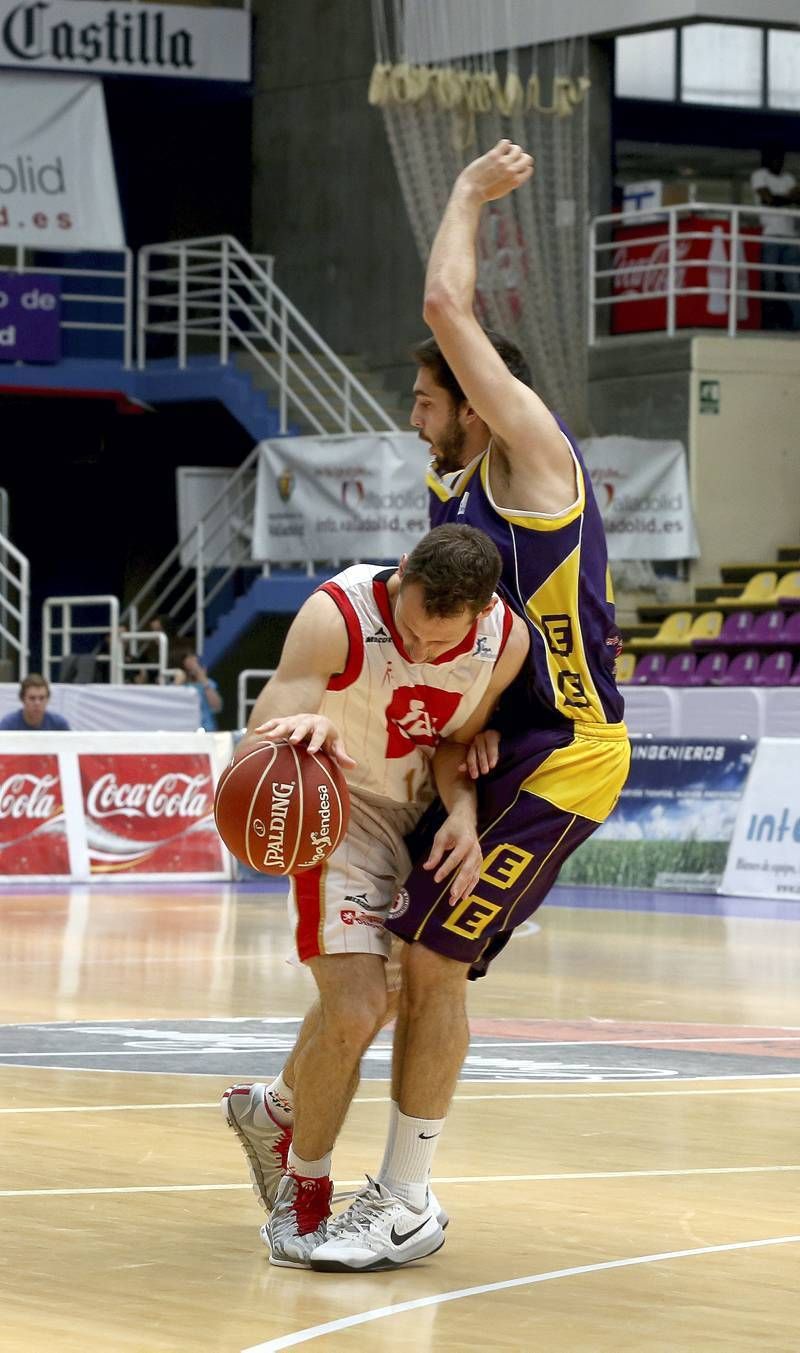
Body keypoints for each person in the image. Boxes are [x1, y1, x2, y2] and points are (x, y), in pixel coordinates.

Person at [309, 140, 631, 1273]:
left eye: (423, 396)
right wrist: (458, 744)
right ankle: (337, 1136)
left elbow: (449, 301)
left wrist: (464, 194)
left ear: (474, 399)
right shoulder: (449, 489)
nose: (411, 415)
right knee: (403, 958)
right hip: (504, 748)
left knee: (432, 964)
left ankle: (402, 1201)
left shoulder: (532, 459)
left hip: (568, 756)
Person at [221, 523, 529, 1268]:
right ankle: (304, 1193)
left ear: (482, 610)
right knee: (356, 1006)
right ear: (401, 577)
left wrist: (463, 809)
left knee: (389, 999)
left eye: (438, 644)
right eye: (414, 633)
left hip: (423, 815)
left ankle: (274, 1111)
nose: (421, 654)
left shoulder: (504, 640)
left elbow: (459, 741)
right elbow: (258, 736)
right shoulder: (339, 614)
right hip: (340, 805)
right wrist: (286, 735)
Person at [750, 147, 800, 330]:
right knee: (769, 283)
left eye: (781, 158)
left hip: (791, 237)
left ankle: (797, 326)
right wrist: (787, 199)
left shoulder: (789, 178)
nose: (778, 162)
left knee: (794, 285)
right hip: (770, 236)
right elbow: (768, 199)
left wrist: (780, 199)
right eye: (775, 158)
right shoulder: (759, 175)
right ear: (767, 159)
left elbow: (798, 197)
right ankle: (768, 324)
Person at [170, 638, 222, 730]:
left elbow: (217, 707)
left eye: (194, 656)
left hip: (207, 730)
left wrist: (204, 680)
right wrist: (177, 685)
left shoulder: (207, 682)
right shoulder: (173, 685)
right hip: (182, 730)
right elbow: (169, 706)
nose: (195, 659)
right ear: (181, 661)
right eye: (189, 657)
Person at [0, 674, 70, 731]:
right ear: (22, 699)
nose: (37, 703)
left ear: (48, 699)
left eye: (42, 698)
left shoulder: (59, 724)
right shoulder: (8, 725)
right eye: (32, 698)